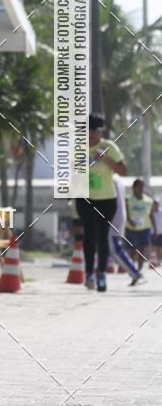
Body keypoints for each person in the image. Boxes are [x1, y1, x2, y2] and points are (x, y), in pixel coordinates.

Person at [76, 113, 127, 292]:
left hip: (106, 198)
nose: (91, 134)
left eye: (95, 131)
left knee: (102, 236)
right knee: (89, 235)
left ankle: (101, 274)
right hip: (85, 198)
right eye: (87, 130)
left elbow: (123, 170)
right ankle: (89, 273)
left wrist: (105, 159)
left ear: (101, 131)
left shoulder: (109, 146)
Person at [109, 175, 145, 287]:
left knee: (116, 248)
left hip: (113, 217)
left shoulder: (110, 178)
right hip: (118, 216)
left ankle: (136, 273)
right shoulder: (117, 178)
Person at [125, 178, 154, 272]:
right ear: (133, 188)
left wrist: (155, 228)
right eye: (139, 187)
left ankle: (139, 269)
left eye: (142, 187)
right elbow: (125, 213)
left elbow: (151, 214)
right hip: (131, 229)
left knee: (142, 249)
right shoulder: (128, 199)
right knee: (133, 249)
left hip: (144, 228)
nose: (141, 189)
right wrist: (129, 221)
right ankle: (132, 268)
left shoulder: (148, 200)